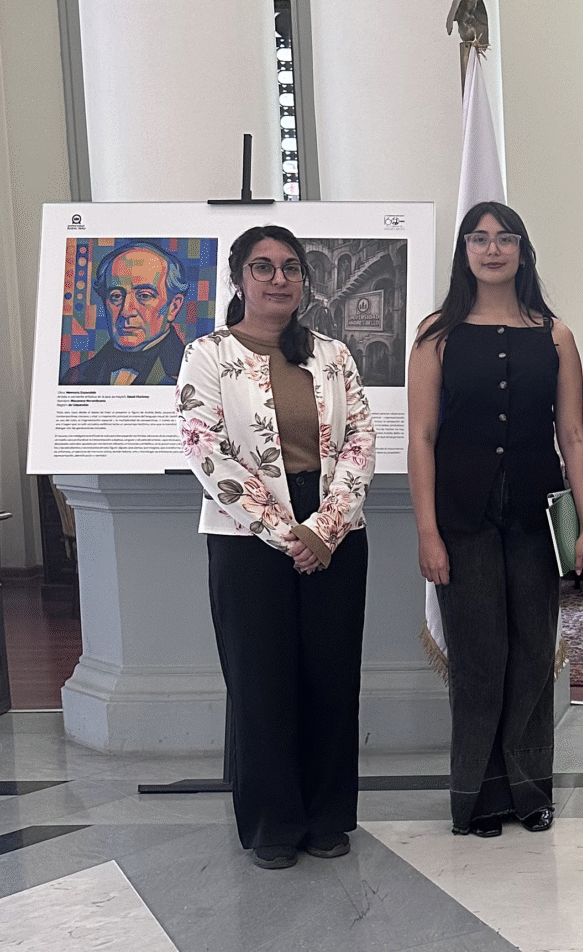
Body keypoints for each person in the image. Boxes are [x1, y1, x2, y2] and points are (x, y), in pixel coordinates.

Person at [175, 225, 374, 870]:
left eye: (290, 267)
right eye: (262, 268)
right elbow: (207, 450)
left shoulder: (333, 355)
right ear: (239, 278)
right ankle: (271, 825)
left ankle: (325, 819)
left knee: (331, 677)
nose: (278, 279)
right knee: (261, 681)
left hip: (335, 532)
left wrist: (327, 527)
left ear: (305, 281)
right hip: (247, 539)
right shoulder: (207, 355)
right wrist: (288, 533)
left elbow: (359, 442)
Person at [408, 202, 583, 838]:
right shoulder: (437, 334)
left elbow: (572, 434)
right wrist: (427, 532)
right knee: (479, 659)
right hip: (461, 522)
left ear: (522, 250)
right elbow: (421, 436)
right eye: (479, 239)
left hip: (535, 521)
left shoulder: (555, 333)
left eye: (505, 238)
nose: (492, 250)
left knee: (533, 654)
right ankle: (480, 796)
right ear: (464, 252)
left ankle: (528, 788)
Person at [65, 239, 190, 385]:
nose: (126, 311)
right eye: (116, 296)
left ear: (173, 307)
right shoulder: (75, 377)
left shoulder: (193, 373)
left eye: (144, 296)